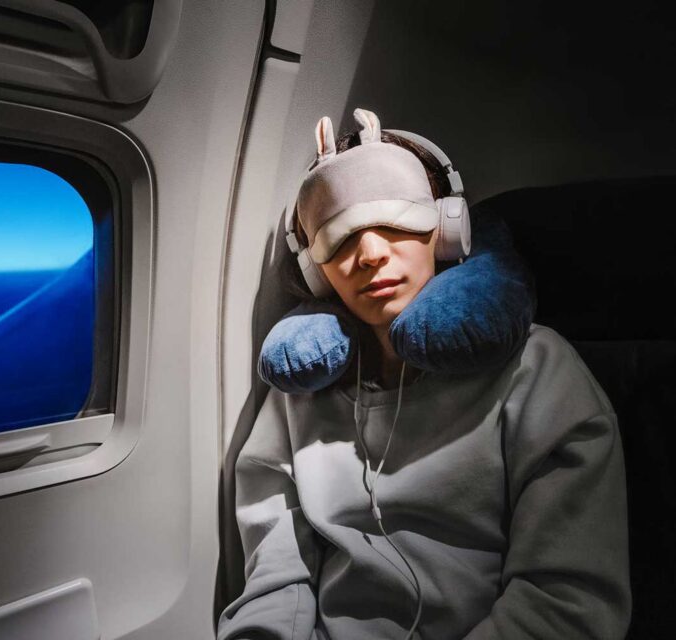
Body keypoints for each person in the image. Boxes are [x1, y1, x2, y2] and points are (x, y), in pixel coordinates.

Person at [216, 109, 631, 639]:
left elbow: (566, 603)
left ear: (447, 228)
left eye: (393, 219)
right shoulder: (298, 397)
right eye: (340, 237)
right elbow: (277, 583)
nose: (368, 254)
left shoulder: (536, 372)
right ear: (313, 273)